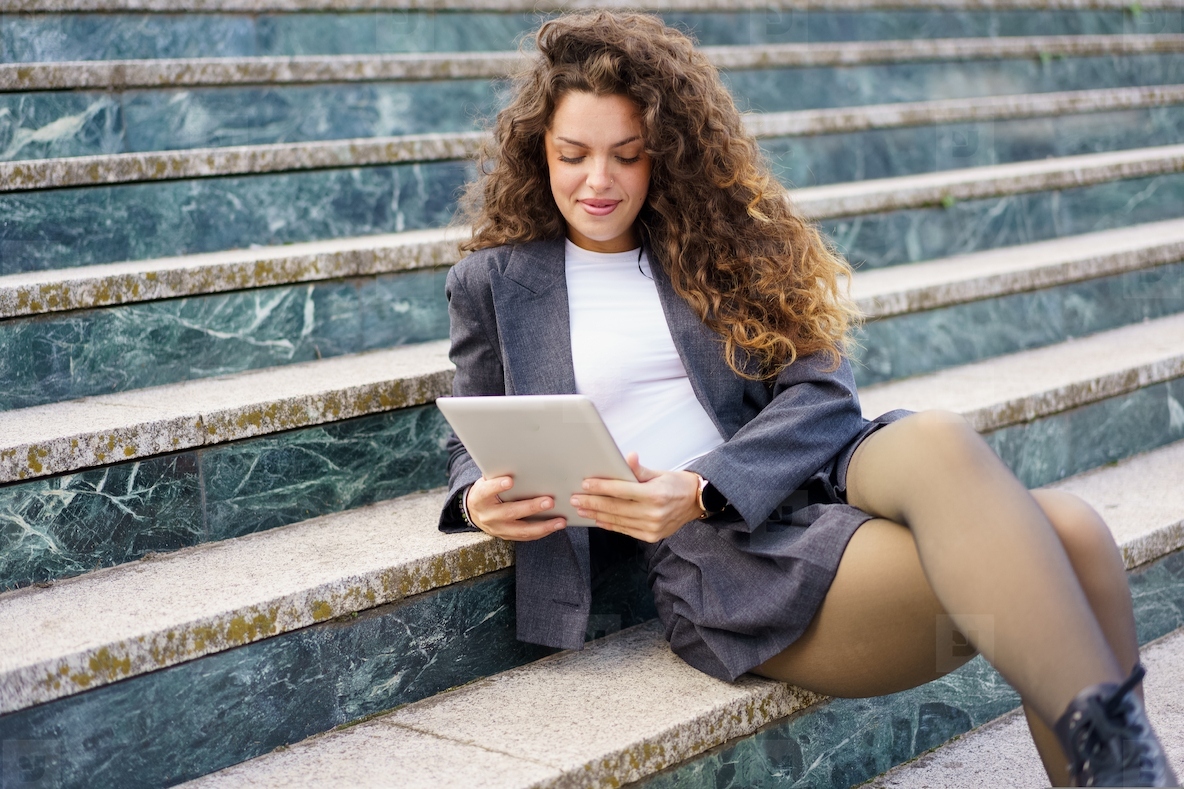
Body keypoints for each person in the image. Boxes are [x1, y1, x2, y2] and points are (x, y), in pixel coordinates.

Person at [436, 12, 1177, 787]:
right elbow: (473, 429)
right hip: (727, 556)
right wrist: (477, 501)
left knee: (942, 440)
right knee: (1073, 538)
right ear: (538, 152)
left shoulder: (712, 243)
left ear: (663, 153)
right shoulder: (495, 282)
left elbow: (822, 393)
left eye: (627, 155)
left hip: (815, 470)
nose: (599, 180)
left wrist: (702, 482)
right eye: (573, 155)